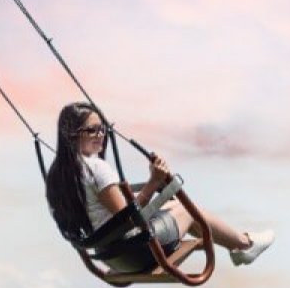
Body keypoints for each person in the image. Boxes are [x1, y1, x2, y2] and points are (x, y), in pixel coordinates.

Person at [44, 102, 273, 268]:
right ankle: (244, 245)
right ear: (72, 134)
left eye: (102, 128)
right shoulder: (96, 168)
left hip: (110, 256)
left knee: (171, 207)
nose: (100, 135)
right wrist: (154, 182)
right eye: (92, 130)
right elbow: (128, 218)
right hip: (135, 251)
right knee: (186, 209)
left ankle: (238, 245)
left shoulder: (58, 174)